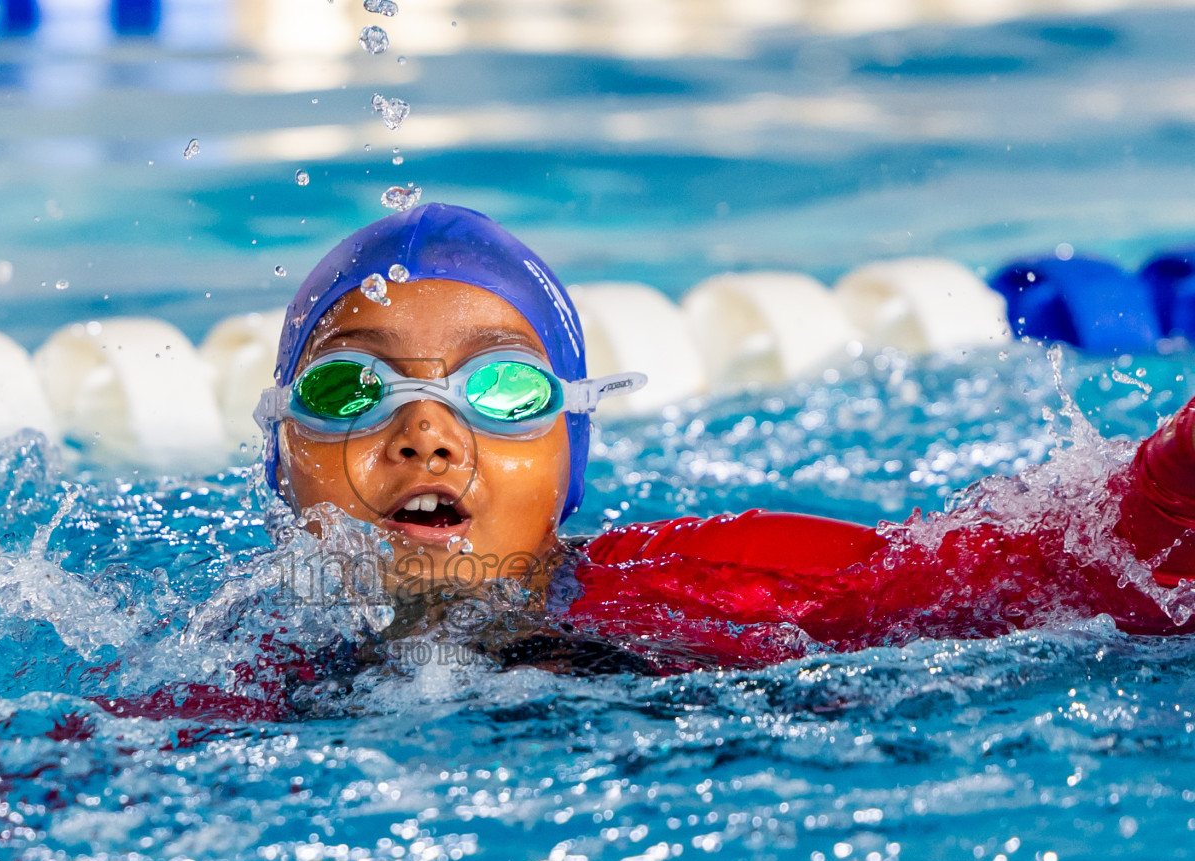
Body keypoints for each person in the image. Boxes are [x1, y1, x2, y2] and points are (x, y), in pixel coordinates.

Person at [250, 202, 1195, 678]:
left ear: (569, 457)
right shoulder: (218, 665)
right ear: (281, 455)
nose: (426, 434)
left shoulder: (718, 582)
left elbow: (1067, 570)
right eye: (349, 389)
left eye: (502, 390)